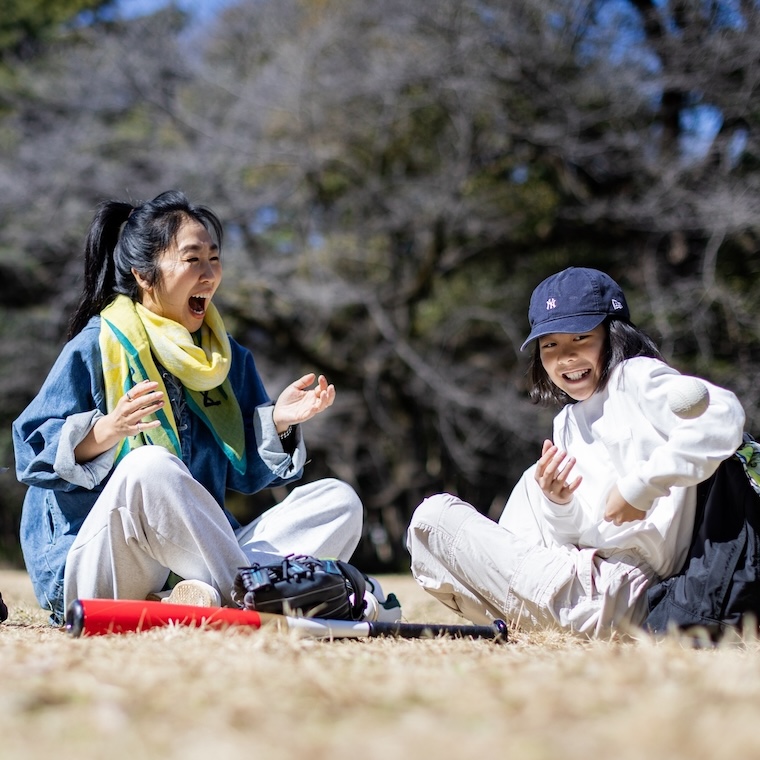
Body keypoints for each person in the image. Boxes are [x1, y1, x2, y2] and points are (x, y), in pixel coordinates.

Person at [13, 190, 363, 625]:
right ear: (144, 274)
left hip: (197, 566)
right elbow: (30, 451)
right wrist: (107, 431)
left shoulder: (226, 358)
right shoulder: (96, 345)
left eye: (214, 259)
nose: (209, 274)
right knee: (149, 466)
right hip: (103, 570)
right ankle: (259, 591)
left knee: (338, 501)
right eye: (192, 259)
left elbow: (245, 472)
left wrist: (278, 421)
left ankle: (198, 599)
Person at [407, 266, 746, 637]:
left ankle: (513, 619)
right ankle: (520, 623)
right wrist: (560, 503)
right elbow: (582, 532)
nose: (565, 357)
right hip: (584, 574)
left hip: (622, 588)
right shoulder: (567, 420)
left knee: (432, 518)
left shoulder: (635, 377)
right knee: (516, 494)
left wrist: (642, 486)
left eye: (581, 338)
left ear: (614, 334)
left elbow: (723, 415)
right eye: (550, 345)